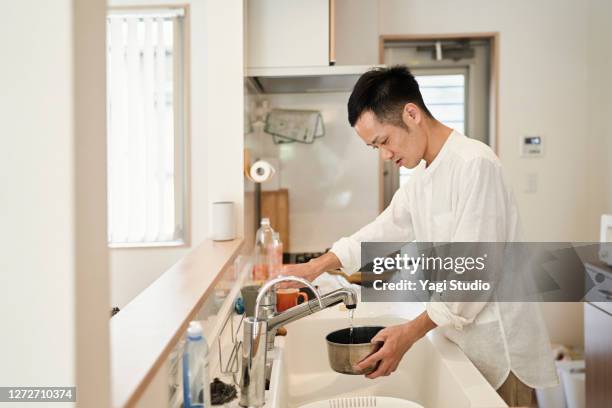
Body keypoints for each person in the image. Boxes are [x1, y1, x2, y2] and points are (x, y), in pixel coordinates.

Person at [281, 66, 557, 407]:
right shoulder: (424, 176)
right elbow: (385, 229)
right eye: (374, 147)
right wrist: (316, 267)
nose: (384, 155)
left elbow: (469, 278)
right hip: (463, 345)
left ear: (411, 114)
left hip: (500, 352)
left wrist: (408, 333)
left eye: (383, 141)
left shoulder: (474, 164)